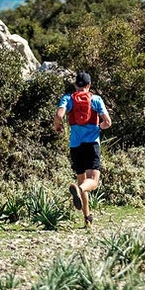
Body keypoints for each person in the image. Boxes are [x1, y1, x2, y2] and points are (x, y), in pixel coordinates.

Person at [52, 72, 112, 227]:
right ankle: (78, 190)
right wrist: (99, 127)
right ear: (89, 85)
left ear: (75, 85)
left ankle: (87, 219)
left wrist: (57, 126)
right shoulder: (96, 99)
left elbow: (59, 115)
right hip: (92, 144)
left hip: (75, 146)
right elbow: (108, 122)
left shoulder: (68, 98)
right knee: (93, 182)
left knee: (82, 179)